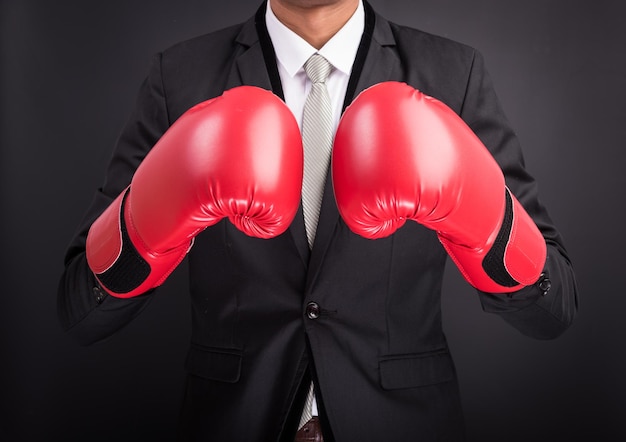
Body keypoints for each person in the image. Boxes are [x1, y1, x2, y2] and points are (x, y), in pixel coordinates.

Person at [57, 0, 579, 440]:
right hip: (230, 420)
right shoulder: (181, 76)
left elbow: (554, 307)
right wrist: (149, 224)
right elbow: (81, 308)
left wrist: (486, 223)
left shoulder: (452, 73)